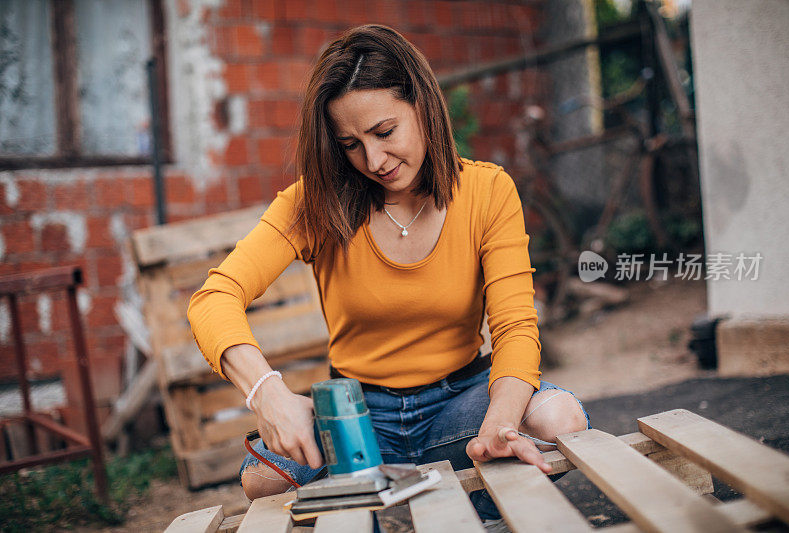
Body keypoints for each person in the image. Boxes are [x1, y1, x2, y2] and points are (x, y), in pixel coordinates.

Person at [187, 24, 590, 521]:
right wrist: (265, 391)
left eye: (384, 132)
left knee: (559, 417)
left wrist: (500, 427)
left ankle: (481, 507)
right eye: (350, 144)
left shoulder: (488, 191)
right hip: (357, 417)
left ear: (422, 106)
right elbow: (214, 297)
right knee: (263, 479)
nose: (373, 160)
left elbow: (515, 327)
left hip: (458, 406)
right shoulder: (315, 204)